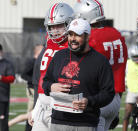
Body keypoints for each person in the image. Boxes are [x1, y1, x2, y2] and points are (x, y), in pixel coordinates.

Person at [43, 18, 115, 131]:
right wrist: (51, 87)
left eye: (77, 35)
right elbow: (46, 82)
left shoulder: (100, 61)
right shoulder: (59, 56)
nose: (72, 39)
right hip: (58, 121)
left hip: (85, 123)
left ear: (87, 36)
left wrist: (89, 101)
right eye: (70, 34)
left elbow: (108, 93)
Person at [73, 0, 128, 130]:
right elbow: (119, 70)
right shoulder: (117, 34)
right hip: (115, 98)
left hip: (98, 98)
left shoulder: (90, 37)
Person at [28, 3, 74, 131]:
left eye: (59, 25)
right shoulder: (49, 42)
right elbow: (42, 77)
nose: (55, 30)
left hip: (62, 105)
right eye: (52, 26)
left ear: (69, 23)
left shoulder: (74, 46)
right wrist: (36, 107)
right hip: (43, 103)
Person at [8, 44, 43, 131]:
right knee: (31, 113)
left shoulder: (39, 60)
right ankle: (10, 123)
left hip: (37, 89)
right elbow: (24, 75)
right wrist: (35, 81)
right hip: (32, 89)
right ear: (38, 51)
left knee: (35, 113)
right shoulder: (32, 61)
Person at [122, 45, 138, 131]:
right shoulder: (127, 63)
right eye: (135, 56)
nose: (137, 58)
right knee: (127, 115)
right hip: (131, 92)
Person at [0, 44, 15, 131]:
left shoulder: (7, 64)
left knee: (3, 122)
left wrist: (2, 78)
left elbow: (12, 78)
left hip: (2, 97)